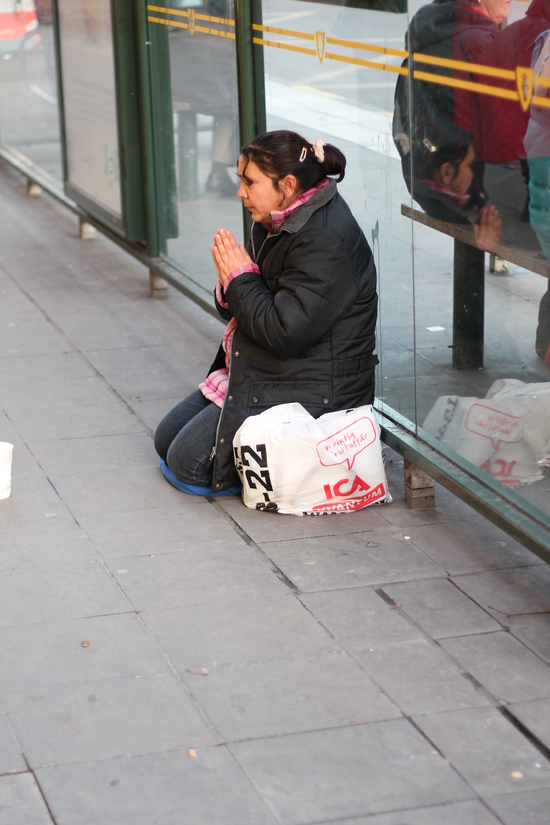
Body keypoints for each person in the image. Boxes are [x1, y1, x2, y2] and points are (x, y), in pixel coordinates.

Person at [154, 130, 379, 494]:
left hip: (318, 387)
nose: (240, 192)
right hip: (275, 364)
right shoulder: (275, 218)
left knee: (187, 465)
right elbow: (253, 301)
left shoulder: (324, 239)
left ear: (287, 185)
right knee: (164, 440)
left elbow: (285, 331)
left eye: (250, 182)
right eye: (240, 180)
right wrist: (232, 282)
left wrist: (239, 280)